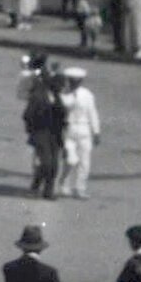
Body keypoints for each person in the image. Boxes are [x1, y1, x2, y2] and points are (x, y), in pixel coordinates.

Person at [21, 56, 67, 200]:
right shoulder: (39, 96)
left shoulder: (59, 98)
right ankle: (36, 187)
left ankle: (48, 190)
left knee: (54, 164)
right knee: (46, 162)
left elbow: (64, 116)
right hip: (41, 132)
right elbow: (27, 115)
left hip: (55, 133)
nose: (60, 88)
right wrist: (33, 131)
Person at [54, 67, 101, 199]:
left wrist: (96, 131)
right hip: (68, 130)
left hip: (84, 129)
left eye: (77, 81)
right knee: (70, 160)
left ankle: (80, 188)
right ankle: (63, 184)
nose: (74, 83)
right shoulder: (62, 94)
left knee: (85, 162)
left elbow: (92, 113)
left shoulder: (87, 95)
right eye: (72, 81)